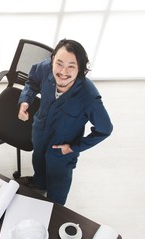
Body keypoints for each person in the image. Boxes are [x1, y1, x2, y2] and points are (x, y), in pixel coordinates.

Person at [18, 39, 113, 205]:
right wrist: (26, 100)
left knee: (58, 182)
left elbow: (105, 129)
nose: (63, 71)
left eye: (71, 66)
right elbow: (32, 82)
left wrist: (74, 147)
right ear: (53, 59)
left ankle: (56, 207)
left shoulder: (88, 96)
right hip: (40, 131)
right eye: (59, 63)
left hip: (63, 146)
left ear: (81, 69)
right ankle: (39, 182)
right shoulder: (45, 67)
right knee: (38, 160)